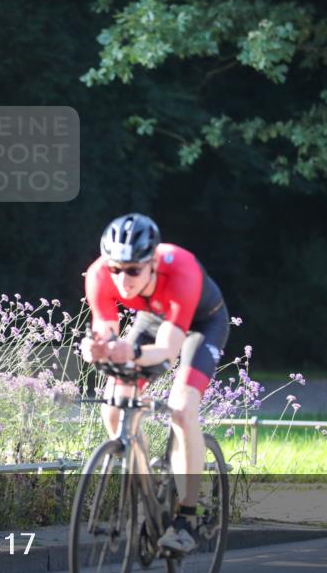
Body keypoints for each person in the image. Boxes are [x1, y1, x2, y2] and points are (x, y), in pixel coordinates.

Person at [80, 213, 229, 553]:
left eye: (133, 270)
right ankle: (148, 492)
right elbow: (106, 328)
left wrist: (126, 350)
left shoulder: (180, 270)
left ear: (152, 264)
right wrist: (98, 348)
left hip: (201, 324)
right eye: (116, 268)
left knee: (181, 407)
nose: (122, 279)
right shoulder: (98, 275)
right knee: (114, 410)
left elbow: (167, 350)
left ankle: (186, 516)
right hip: (153, 318)